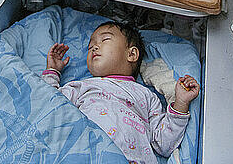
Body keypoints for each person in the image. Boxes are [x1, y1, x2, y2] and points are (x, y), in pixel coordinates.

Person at [42, 21, 199, 164]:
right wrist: (52, 71)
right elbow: (51, 105)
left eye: (105, 40)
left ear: (131, 54)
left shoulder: (146, 96)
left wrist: (181, 103)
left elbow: (164, 144)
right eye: (90, 46)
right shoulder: (81, 86)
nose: (94, 47)